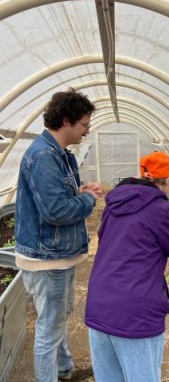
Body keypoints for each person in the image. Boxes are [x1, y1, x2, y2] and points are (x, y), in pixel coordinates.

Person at [85, 151, 169, 382]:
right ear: (166, 181)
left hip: (98, 306)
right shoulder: (160, 209)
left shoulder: (114, 204)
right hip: (134, 315)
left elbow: (108, 239)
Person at [14, 89, 103, 382]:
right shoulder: (42, 156)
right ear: (66, 121)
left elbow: (57, 199)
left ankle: (64, 371)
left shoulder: (59, 154)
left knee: (59, 318)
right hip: (47, 259)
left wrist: (80, 192)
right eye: (84, 125)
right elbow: (55, 211)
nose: (87, 131)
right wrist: (88, 201)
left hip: (58, 255)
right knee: (48, 329)